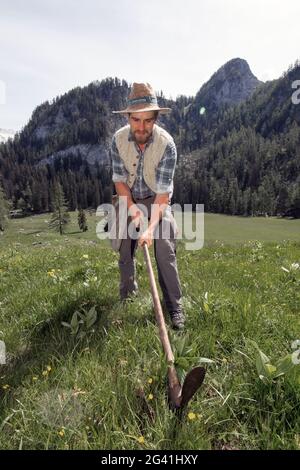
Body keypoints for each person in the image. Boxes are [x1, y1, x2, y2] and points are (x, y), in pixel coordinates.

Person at [110, 82, 185, 330]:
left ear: (155, 119)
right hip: (129, 197)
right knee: (124, 248)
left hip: (157, 200)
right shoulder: (118, 140)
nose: (141, 127)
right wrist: (133, 212)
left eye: (148, 120)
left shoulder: (167, 145)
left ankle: (174, 306)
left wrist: (150, 228)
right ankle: (128, 297)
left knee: (165, 250)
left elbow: (164, 195)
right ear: (129, 118)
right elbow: (120, 182)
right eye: (136, 120)